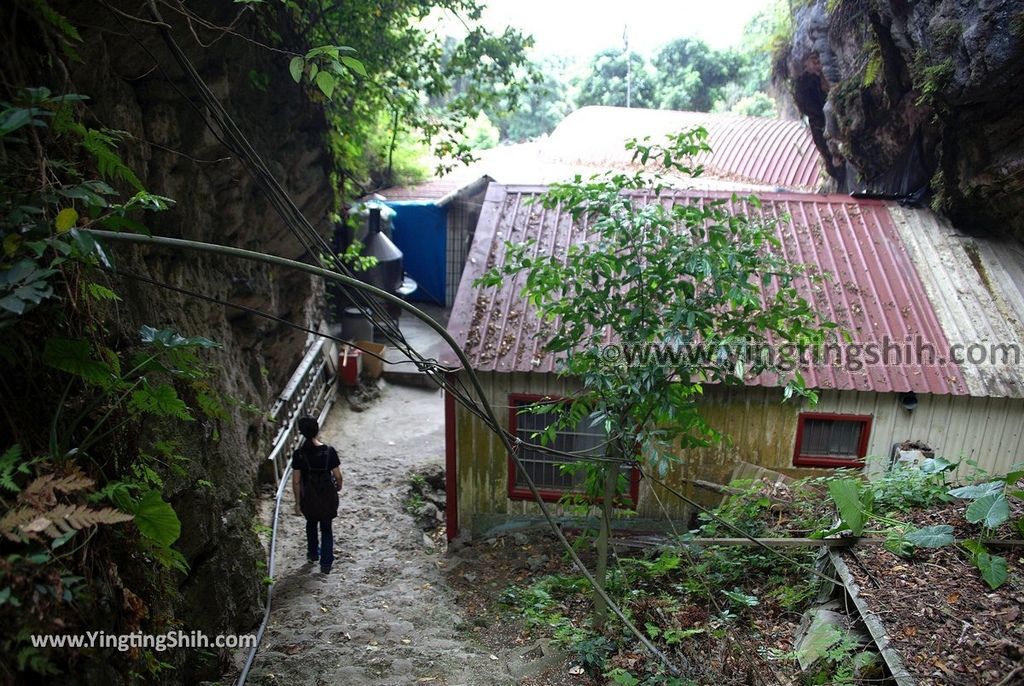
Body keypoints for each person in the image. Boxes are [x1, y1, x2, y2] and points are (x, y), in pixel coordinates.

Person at [291, 415, 343, 574]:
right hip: (327, 495)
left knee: (311, 524)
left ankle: (313, 554)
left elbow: (296, 481)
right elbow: (337, 476)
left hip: (309, 497)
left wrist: (297, 502)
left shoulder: (299, 454)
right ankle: (326, 564)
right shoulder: (329, 452)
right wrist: (338, 487)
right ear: (316, 429)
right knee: (327, 528)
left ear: (301, 432)